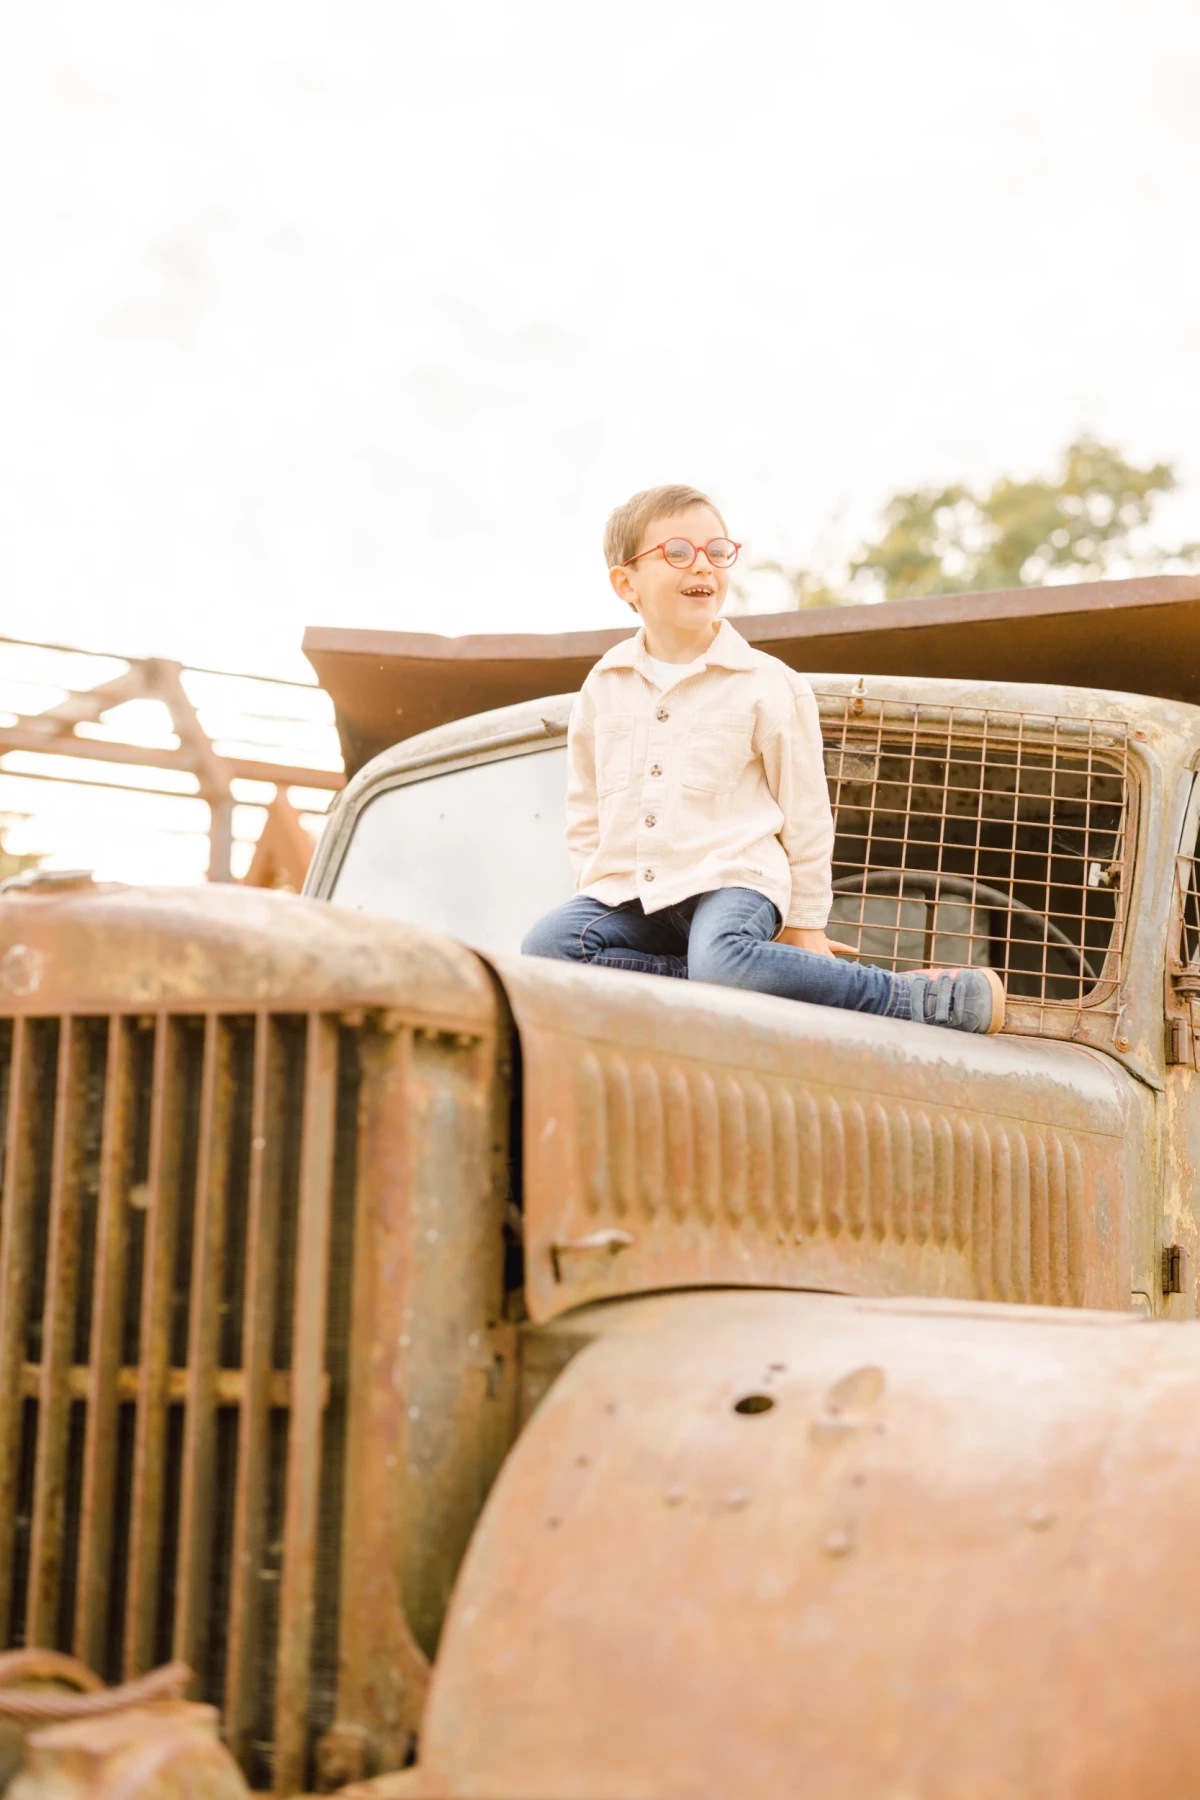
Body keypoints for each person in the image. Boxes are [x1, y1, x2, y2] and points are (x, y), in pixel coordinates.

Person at [521, 484, 1005, 1035]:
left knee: (722, 956)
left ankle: (906, 996)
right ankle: (737, 976)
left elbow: (805, 813)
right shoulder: (603, 686)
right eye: (677, 552)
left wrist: (805, 923)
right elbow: (586, 808)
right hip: (633, 891)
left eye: (717, 551)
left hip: (733, 880)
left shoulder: (768, 683)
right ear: (625, 582)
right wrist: (595, 884)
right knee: (547, 948)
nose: (702, 565)